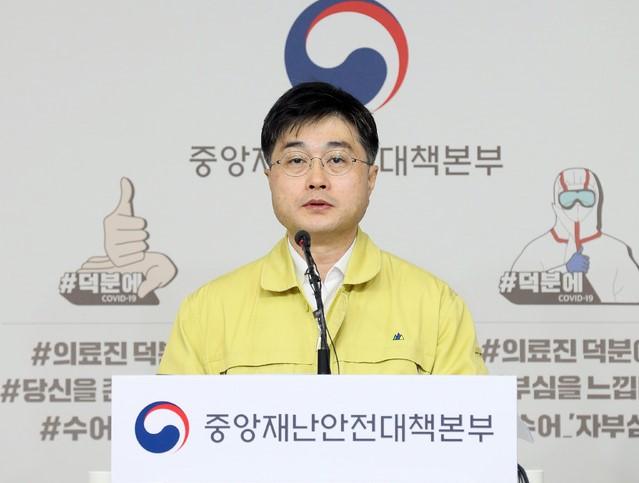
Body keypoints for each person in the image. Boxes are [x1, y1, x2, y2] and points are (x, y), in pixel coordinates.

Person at [158, 82, 487, 375]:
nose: (317, 179)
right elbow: (171, 421)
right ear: (270, 178)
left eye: (337, 159)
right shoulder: (207, 311)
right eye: (296, 160)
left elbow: (468, 421)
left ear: (370, 179)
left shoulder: (435, 306)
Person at [511, 167, 639, 303]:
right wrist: (565, 271)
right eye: (568, 199)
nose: (577, 205)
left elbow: (634, 301)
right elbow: (514, 294)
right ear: (556, 202)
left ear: (597, 199)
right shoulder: (537, 249)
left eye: (585, 197)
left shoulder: (616, 250)